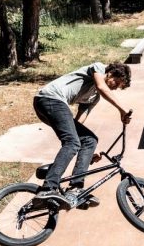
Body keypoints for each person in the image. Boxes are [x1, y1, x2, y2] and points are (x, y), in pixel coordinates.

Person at [34, 61, 132, 207]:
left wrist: (87, 152)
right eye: (116, 83)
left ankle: (75, 189)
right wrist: (122, 109)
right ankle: (48, 188)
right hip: (50, 99)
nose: (115, 88)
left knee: (89, 140)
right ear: (111, 73)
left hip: (50, 106)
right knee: (72, 143)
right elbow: (102, 86)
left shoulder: (94, 97)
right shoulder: (99, 68)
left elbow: (79, 121)